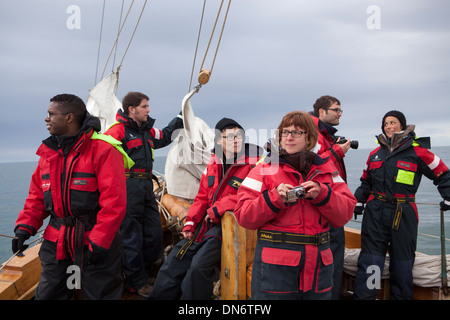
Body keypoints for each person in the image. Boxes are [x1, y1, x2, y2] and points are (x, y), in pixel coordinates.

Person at [12, 94, 128, 299]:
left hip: (93, 242)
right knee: (50, 294)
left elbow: (114, 202)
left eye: (51, 114)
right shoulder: (48, 154)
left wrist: (100, 241)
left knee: (99, 295)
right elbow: (36, 197)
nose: (46, 118)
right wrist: (24, 227)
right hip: (58, 244)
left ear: (69, 117)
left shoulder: (103, 150)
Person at [235, 111, 356, 300]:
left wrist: (322, 194)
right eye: (285, 132)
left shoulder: (327, 170)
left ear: (309, 137)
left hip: (318, 270)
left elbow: (345, 213)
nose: (289, 137)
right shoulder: (264, 170)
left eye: (296, 132)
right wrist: (274, 198)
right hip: (276, 272)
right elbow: (243, 215)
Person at [149, 118, 262, 299]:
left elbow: (252, 195)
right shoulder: (213, 163)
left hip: (227, 228)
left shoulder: (255, 164)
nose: (236, 140)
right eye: (231, 136)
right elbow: (202, 197)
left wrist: (219, 208)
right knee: (173, 263)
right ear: (219, 141)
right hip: (204, 225)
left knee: (197, 269)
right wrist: (191, 222)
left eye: (239, 135)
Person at [352, 110, 450, 300]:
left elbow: (443, 173)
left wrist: (448, 197)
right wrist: (359, 201)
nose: (388, 126)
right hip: (375, 213)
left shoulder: (417, 151)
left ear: (402, 126)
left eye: (393, 122)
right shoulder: (374, 154)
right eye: (385, 124)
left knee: (402, 263)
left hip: (403, 213)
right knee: (371, 260)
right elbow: (366, 182)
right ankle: (366, 297)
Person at [104, 91, 183, 298]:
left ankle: (146, 273)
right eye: (145, 106)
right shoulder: (117, 131)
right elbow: (102, 157)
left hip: (147, 187)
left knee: (154, 233)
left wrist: (182, 116)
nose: (149, 110)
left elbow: (165, 135)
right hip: (128, 187)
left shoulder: (146, 132)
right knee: (131, 237)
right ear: (132, 109)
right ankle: (135, 283)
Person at [311, 95, 351, 299]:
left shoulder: (322, 134)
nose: (340, 114)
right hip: (325, 205)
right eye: (336, 110)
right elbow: (312, 164)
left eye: (340, 110)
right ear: (321, 112)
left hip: (328, 201)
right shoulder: (315, 135)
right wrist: (337, 151)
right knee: (332, 258)